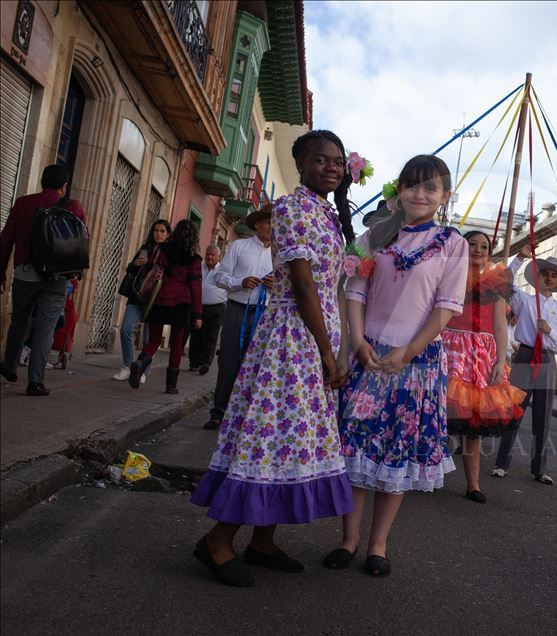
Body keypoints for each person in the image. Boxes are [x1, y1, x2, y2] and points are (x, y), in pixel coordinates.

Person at [191, 129, 356, 587]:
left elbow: (328, 288)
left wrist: (333, 345)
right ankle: (217, 542)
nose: (331, 167)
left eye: (338, 162)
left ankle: (262, 542)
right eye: (321, 159)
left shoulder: (325, 212)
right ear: (300, 163)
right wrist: (327, 351)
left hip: (313, 338)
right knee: (266, 438)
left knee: (290, 440)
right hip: (291, 339)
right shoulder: (291, 208)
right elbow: (302, 284)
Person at [326, 155, 467, 577]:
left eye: (431, 188)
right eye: (412, 185)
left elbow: (446, 307)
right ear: (399, 189)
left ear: (444, 196)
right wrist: (358, 342)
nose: (420, 195)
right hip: (367, 355)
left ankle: (378, 546)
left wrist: (406, 353)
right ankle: (348, 541)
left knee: (396, 453)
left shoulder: (452, 244)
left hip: (416, 362)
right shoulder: (376, 235)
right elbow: (354, 290)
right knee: (355, 449)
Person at [443, 230, 526, 503]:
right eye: (472, 244)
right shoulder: (449, 275)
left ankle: (473, 484)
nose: (478, 250)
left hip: (482, 355)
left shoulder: (496, 283)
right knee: (437, 415)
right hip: (452, 349)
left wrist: (501, 360)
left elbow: (501, 326)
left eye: (484, 246)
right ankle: (421, 471)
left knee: (473, 422)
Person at [0, 165, 87, 395]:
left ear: (41, 181)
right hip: (57, 276)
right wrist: (75, 275)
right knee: (46, 328)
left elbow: (6, 239)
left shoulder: (23, 203)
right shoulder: (73, 206)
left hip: (25, 272)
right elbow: (81, 241)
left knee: (19, 321)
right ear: (64, 186)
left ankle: (9, 366)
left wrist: (2, 270)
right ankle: (35, 382)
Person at [491, 245, 557, 485]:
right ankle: (501, 464)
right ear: (537, 277)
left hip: (547, 360)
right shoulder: (524, 300)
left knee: (543, 416)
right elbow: (504, 284)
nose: (549, 278)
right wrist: (519, 258)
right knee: (514, 410)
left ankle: (539, 469)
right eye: (545, 273)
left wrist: (550, 333)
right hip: (525, 356)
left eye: (554, 275)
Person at [203, 205, 275, 430]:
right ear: (257, 224)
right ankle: (219, 412)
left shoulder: (281, 255)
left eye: (276, 223)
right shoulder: (238, 246)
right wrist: (240, 282)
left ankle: (246, 417)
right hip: (236, 310)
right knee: (229, 361)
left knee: (257, 366)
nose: (272, 227)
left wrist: (277, 286)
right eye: (268, 222)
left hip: (265, 314)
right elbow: (219, 278)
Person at [127, 219, 203, 395]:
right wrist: (198, 313)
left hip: (159, 299)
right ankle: (170, 386)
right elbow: (195, 287)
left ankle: (140, 363)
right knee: (176, 344)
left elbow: (152, 270)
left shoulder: (164, 250)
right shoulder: (194, 258)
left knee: (153, 340)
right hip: (181, 303)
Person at [113, 219, 172, 382]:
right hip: (137, 295)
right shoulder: (146, 248)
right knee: (126, 329)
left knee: (149, 338)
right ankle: (128, 365)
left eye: (162, 231)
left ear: (168, 234)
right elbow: (130, 269)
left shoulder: (170, 252)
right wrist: (135, 263)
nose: (158, 234)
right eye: (156, 231)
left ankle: (143, 371)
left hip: (156, 299)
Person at [188, 245, 227, 375]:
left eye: (213, 255)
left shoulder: (223, 270)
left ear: (218, 256)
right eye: (208, 254)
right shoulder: (199, 268)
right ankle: (194, 363)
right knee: (196, 335)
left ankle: (205, 363)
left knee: (210, 337)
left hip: (217, 308)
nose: (210, 257)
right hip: (198, 307)